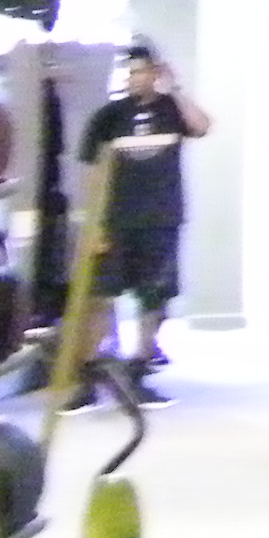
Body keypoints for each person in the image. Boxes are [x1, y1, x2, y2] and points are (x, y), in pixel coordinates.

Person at [76, 43, 209, 383]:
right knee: (101, 293)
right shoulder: (110, 116)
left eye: (140, 71)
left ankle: (139, 364)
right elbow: (91, 168)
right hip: (117, 219)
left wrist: (175, 87)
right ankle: (90, 371)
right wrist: (93, 222)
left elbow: (201, 126)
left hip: (162, 218)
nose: (134, 78)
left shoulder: (172, 109)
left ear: (155, 72)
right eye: (130, 72)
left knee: (154, 295)